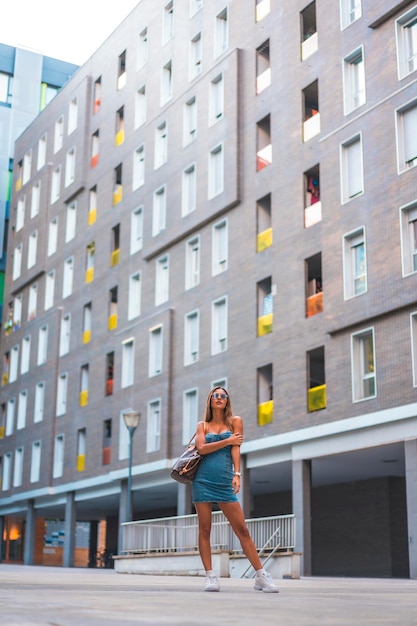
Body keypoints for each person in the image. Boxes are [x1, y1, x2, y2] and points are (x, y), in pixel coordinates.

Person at [192, 386, 279, 593]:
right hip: (202, 480)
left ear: (227, 400)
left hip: (224, 481)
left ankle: (260, 576)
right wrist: (228, 440)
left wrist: (237, 475)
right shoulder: (202, 425)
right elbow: (201, 449)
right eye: (216, 395)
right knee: (205, 530)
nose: (220, 398)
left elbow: (236, 449)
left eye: (223, 396)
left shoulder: (235, 422)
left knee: (242, 530)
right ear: (210, 400)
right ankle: (211, 577)